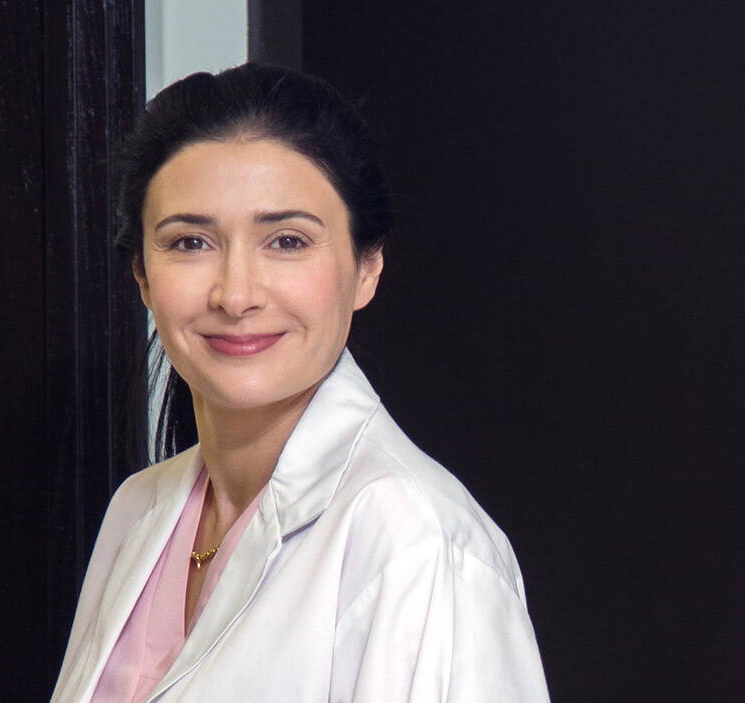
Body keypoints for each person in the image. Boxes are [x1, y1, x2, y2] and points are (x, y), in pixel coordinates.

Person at [51, 63, 550, 702]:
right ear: (143, 277)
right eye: (191, 243)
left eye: (287, 241)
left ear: (367, 268)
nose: (236, 295)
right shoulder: (138, 511)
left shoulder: (417, 541)